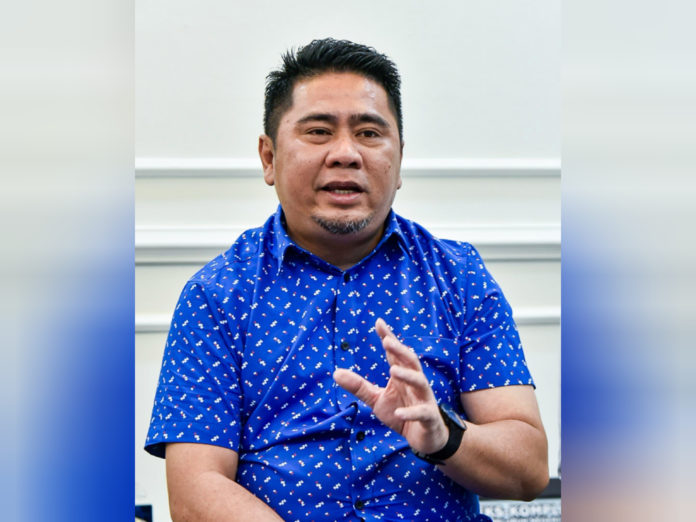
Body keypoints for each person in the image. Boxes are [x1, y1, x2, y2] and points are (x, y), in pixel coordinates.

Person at [145, 38, 549, 521]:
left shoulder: (458, 277)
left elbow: (529, 469)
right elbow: (195, 492)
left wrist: (444, 435)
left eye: (369, 133)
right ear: (269, 158)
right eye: (318, 131)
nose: (346, 153)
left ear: (400, 160)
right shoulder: (217, 295)